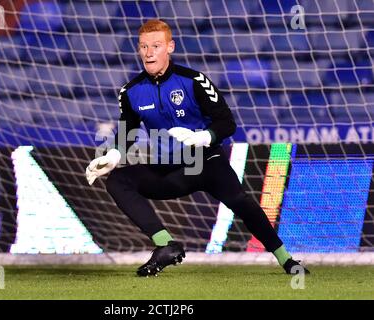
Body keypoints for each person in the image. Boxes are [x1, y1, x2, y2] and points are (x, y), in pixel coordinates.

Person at [85, 19, 309, 277]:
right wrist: (112, 156)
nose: (149, 52)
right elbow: (128, 133)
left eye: (156, 46)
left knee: (241, 202)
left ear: (170, 47)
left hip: (205, 162)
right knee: (118, 181)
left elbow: (227, 123)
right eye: (144, 46)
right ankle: (166, 245)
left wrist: (203, 137)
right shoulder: (131, 91)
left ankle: (287, 260)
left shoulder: (193, 81)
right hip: (167, 171)